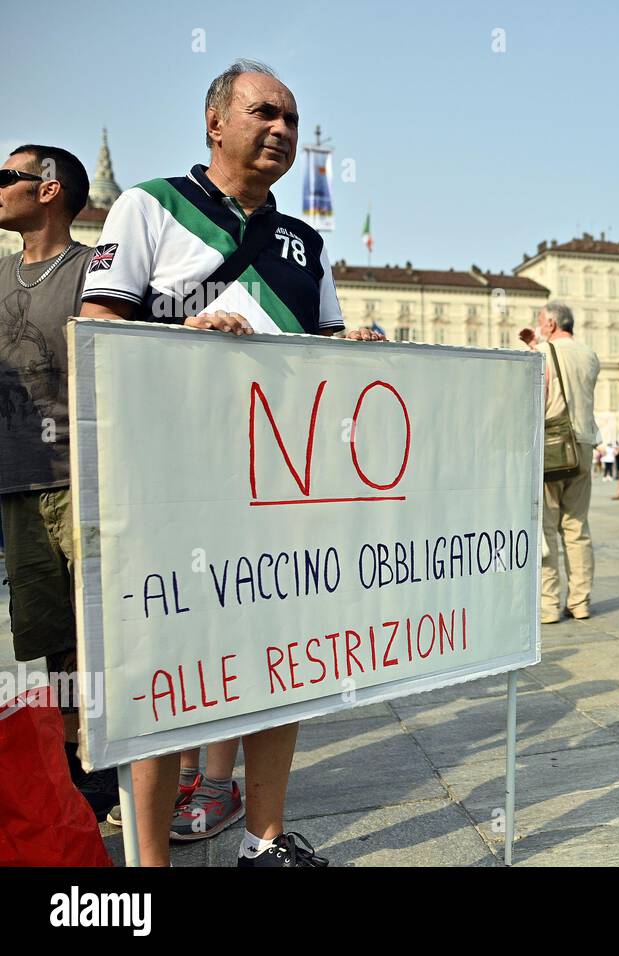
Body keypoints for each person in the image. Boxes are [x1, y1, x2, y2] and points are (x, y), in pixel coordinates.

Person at [80, 59, 383, 867]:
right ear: (215, 122)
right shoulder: (150, 206)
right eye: (263, 114)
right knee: (163, 678)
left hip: (275, 491)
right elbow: (96, 325)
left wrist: (347, 349)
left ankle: (263, 841)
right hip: (166, 483)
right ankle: (146, 870)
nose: (281, 130)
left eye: (290, 118)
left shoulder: (305, 242)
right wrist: (185, 338)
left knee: (279, 665)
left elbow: (320, 353)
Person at [0, 145, 113, 817]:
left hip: (81, 475)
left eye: (5, 177)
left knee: (95, 628)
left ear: (47, 190)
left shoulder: (90, 268)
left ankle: (106, 755)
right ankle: (76, 760)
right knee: (48, 636)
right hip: (15, 478)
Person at [520, 301, 601, 624]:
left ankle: (549, 605)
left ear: (551, 324)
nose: (538, 326)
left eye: (540, 321)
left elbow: (539, 400)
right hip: (583, 444)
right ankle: (580, 602)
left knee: (546, 527)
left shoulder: (542, 353)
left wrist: (533, 348)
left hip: (552, 448)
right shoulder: (590, 355)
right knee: (577, 526)